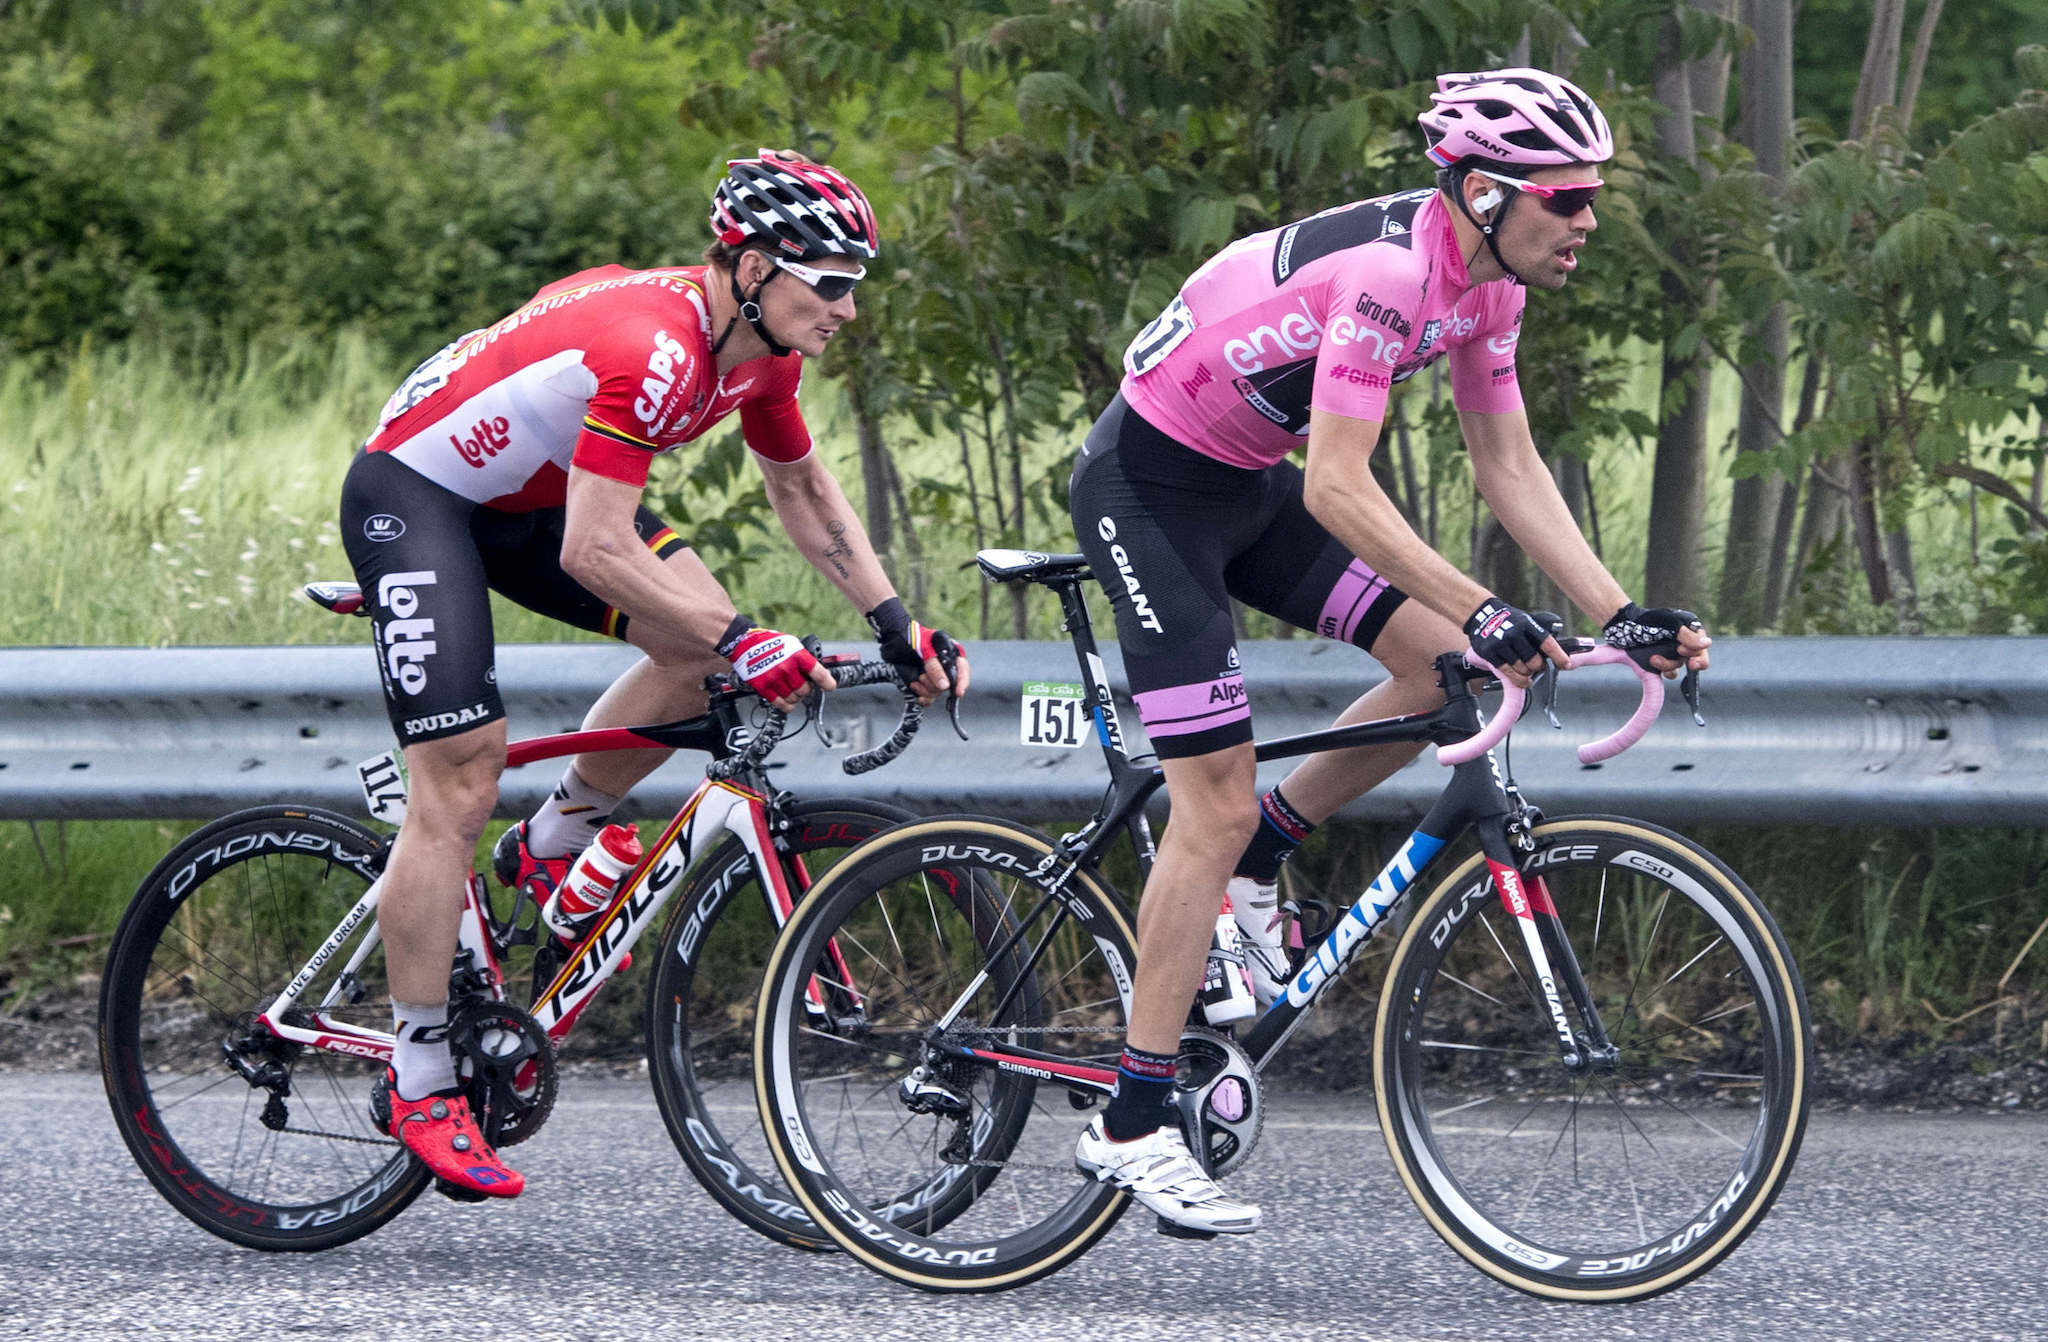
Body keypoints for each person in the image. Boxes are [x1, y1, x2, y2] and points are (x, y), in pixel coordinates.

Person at [1067, 69, 1710, 1235]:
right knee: (1203, 805)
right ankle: (1129, 1122)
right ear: (1481, 192)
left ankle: (1263, 852)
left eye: (1590, 198)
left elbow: (1506, 469)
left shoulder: (1488, 290)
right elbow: (1336, 482)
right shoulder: (1388, 278)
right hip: (1149, 489)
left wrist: (1616, 611)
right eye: (1565, 199)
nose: (1587, 221)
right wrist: (1482, 603)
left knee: (1441, 671)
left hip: (1243, 485)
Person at [340, 150, 968, 1198]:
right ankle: (419, 1076)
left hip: (539, 494)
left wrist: (894, 620)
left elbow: (803, 488)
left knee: (700, 655)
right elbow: (594, 550)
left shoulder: (764, 350)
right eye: (834, 281)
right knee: (457, 780)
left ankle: (550, 843)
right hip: (421, 497)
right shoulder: (658, 345)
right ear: (758, 266)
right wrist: (747, 635)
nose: (849, 309)